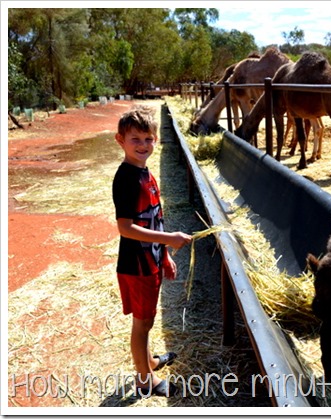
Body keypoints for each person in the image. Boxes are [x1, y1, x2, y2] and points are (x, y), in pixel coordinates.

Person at [112, 105, 192, 398]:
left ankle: (149, 362)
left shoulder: (146, 174)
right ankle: (145, 381)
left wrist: (165, 253)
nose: (143, 146)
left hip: (152, 260)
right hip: (137, 265)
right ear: (120, 140)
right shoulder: (127, 179)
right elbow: (126, 228)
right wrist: (169, 239)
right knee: (142, 325)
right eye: (136, 139)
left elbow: (154, 216)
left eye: (148, 139)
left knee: (148, 320)